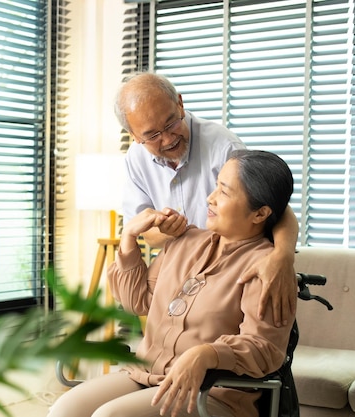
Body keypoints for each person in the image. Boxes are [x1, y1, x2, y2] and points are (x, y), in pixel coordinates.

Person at [47, 150, 296, 417]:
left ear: (260, 214)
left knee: (109, 416)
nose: (210, 198)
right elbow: (137, 302)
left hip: (212, 393)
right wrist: (129, 236)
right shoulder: (184, 241)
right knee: (64, 410)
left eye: (224, 192)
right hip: (145, 375)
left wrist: (207, 353)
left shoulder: (268, 269)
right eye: (215, 187)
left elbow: (265, 350)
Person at [115, 72, 298, 326]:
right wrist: (170, 233)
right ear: (134, 136)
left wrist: (283, 258)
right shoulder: (136, 159)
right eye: (153, 135)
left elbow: (271, 205)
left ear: (180, 103)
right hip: (184, 271)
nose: (167, 139)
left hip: (230, 274)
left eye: (170, 124)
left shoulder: (223, 147)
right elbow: (146, 235)